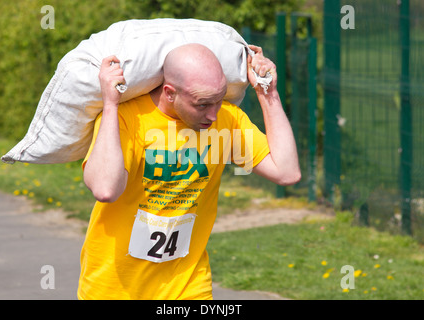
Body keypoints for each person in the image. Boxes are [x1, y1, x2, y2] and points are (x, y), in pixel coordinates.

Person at [78, 43, 301, 300]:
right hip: (114, 287)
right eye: (202, 104)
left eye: (219, 101)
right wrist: (110, 104)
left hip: (188, 286)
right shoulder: (128, 118)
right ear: (170, 93)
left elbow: (287, 172)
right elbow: (105, 189)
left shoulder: (226, 120)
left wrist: (267, 92)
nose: (213, 114)